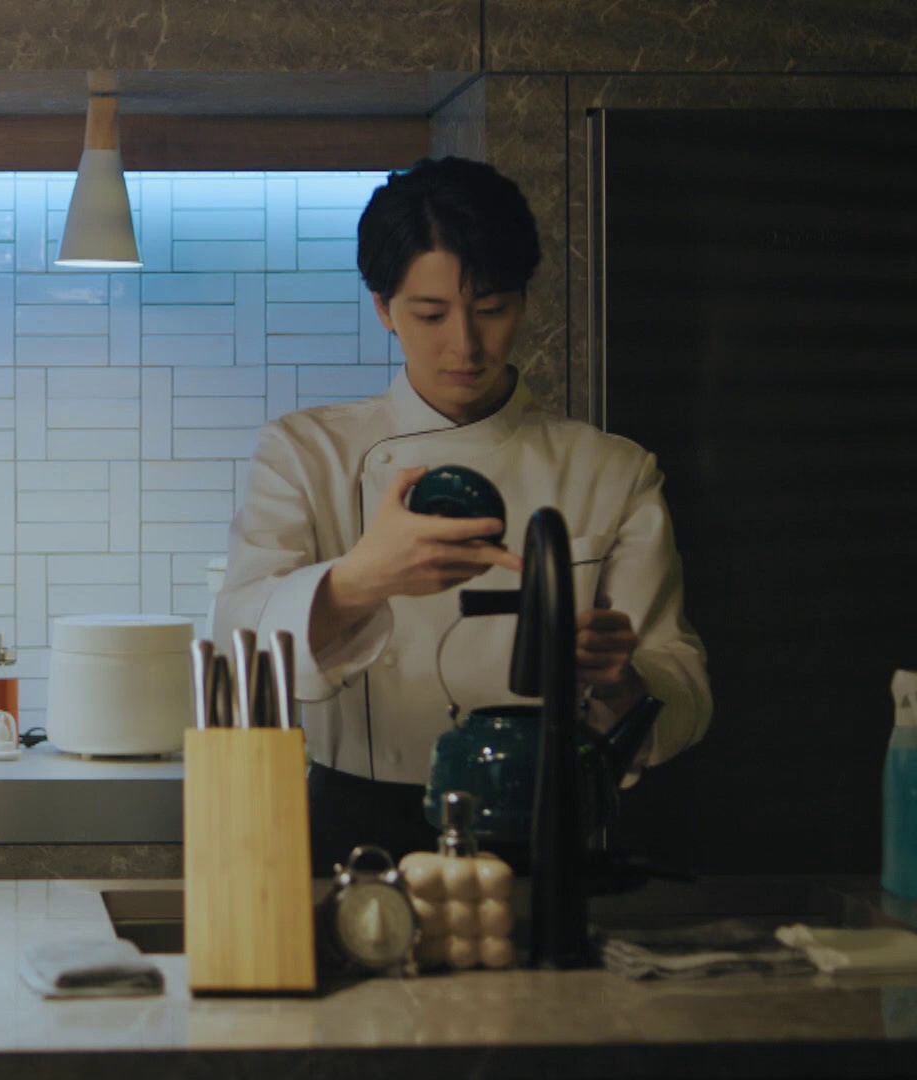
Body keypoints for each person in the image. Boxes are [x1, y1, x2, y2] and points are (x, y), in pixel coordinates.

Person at [214, 157, 711, 873]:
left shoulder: (611, 469)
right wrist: (362, 578)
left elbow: (684, 688)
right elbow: (237, 647)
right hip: (356, 828)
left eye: (492, 309)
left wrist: (622, 678)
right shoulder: (306, 451)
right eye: (431, 314)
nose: (466, 346)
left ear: (525, 302)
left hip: (540, 826)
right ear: (383, 308)